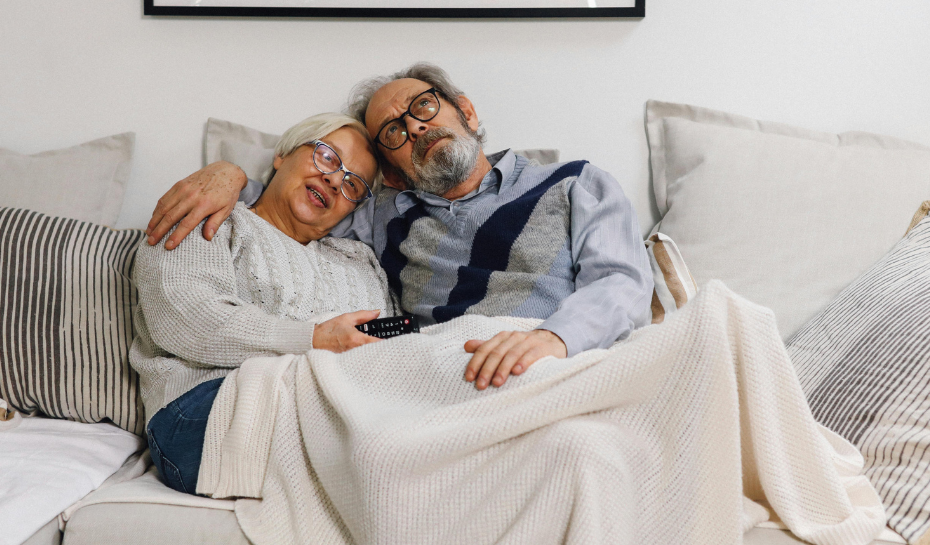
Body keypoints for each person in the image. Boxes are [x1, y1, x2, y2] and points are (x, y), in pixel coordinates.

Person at [146, 63, 653, 393]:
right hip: (461, 379)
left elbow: (623, 284)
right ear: (390, 171)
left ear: (467, 111)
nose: (414, 127)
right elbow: (287, 214)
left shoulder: (576, 184)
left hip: (566, 360)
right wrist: (228, 175)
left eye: (424, 107)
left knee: (721, 320)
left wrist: (552, 339)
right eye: (394, 131)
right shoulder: (380, 215)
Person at [131, 113, 396, 494]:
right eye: (327, 157)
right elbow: (183, 319)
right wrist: (315, 338)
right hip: (206, 410)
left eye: (354, 184)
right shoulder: (213, 213)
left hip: (341, 407)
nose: (336, 180)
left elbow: (393, 348)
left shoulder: (361, 263)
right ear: (283, 154)